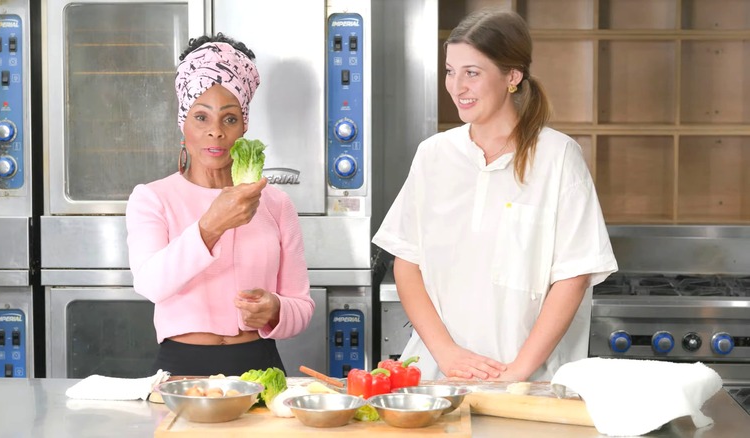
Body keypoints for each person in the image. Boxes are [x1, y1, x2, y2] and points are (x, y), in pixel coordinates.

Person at [372, 9, 617, 382]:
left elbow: (574, 275)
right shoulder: (433, 154)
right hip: (438, 375)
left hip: (528, 381)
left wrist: (516, 373)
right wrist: (447, 354)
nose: (456, 86)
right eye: (451, 71)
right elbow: (407, 262)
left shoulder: (557, 156)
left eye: (472, 72)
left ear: (512, 77)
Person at [125, 34, 314, 376]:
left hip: (260, 367)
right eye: (201, 117)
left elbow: (301, 306)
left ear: (244, 124)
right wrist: (210, 226)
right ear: (183, 122)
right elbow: (150, 284)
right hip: (183, 370)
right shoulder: (152, 198)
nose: (215, 132)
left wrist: (275, 310)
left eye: (229, 118)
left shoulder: (276, 203)